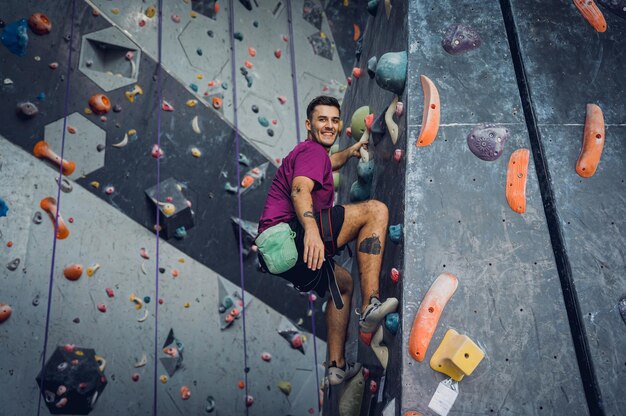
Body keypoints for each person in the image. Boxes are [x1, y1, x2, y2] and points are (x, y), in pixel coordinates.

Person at [256, 95, 398, 385]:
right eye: (322, 120)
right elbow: (299, 190)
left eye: (335, 120)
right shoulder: (311, 152)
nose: (330, 125)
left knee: (343, 286)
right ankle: (371, 305)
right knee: (375, 211)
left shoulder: (313, 155)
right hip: (294, 233)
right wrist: (310, 230)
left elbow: (326, 163)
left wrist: (350, 152)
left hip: (279, 257)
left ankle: (335, 366)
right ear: (309, 124)